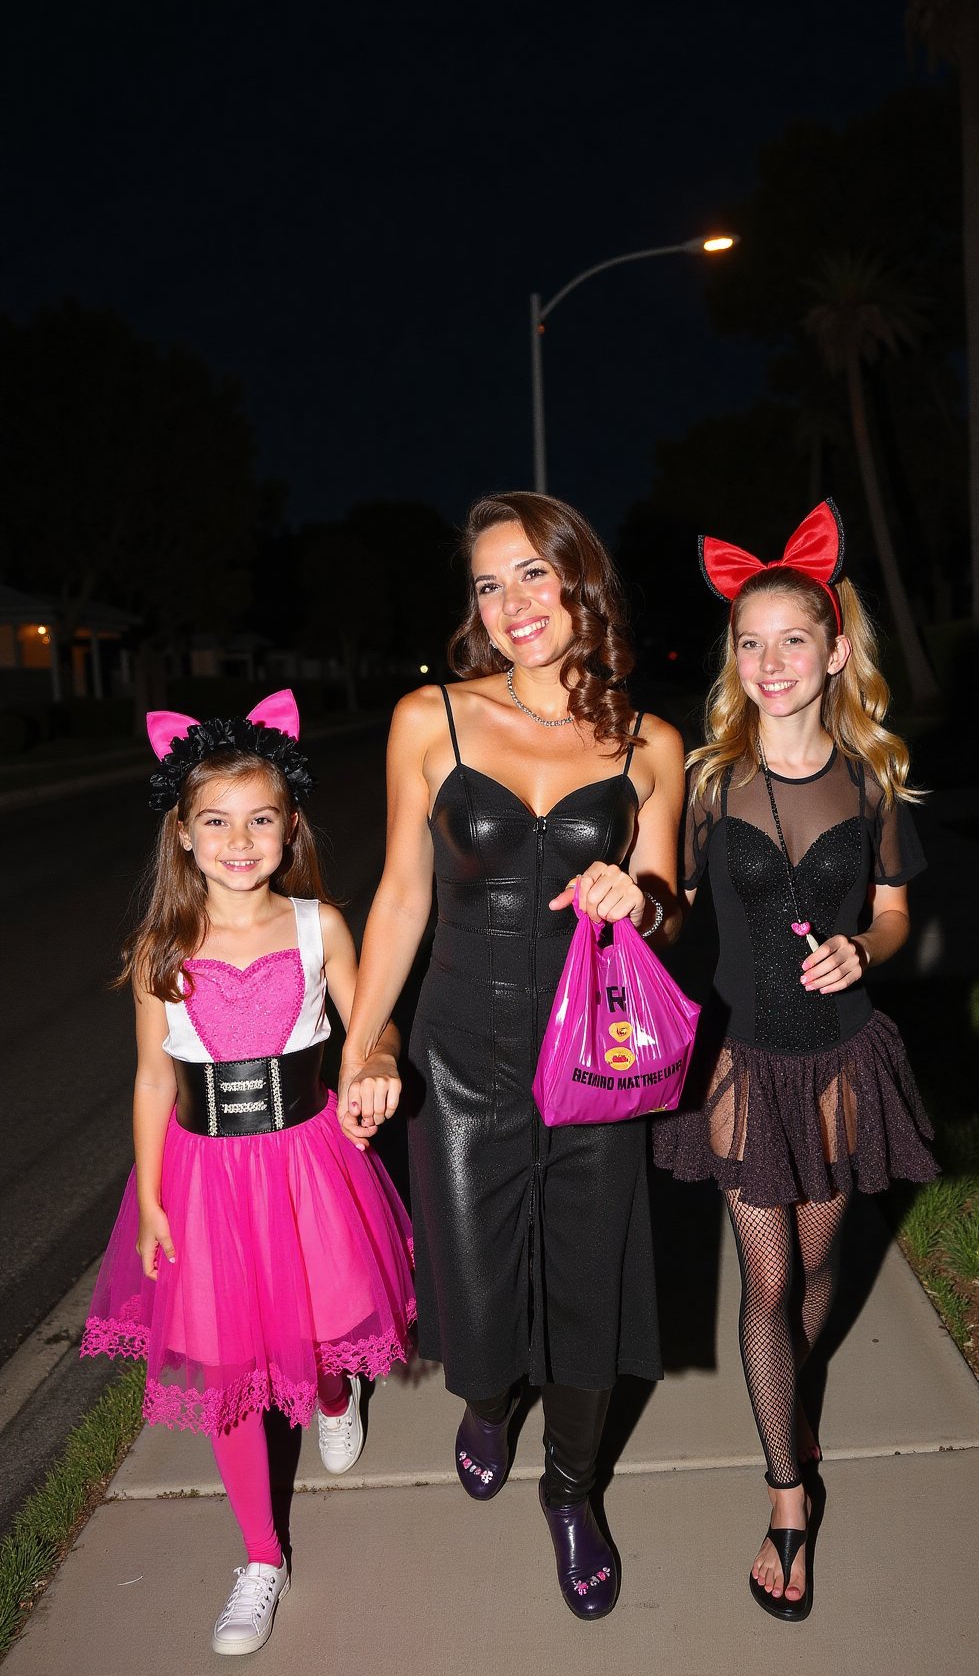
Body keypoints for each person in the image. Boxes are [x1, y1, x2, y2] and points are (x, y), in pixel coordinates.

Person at [340, 492, 684, 1620]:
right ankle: (486, 1401)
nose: (512, 604)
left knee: (590, 1290)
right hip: (463, 1058)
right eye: (489, 584)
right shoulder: (428, 719)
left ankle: (574, 1490)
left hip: (596, 1058)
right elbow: (398, 897)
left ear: (580, 578)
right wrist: (364, 1042)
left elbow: (670, 909)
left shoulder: (652, 745)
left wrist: (646, 896)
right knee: (475, 1302)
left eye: (532, 574)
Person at [82, 690, 416, 1658]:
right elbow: (152, 1080)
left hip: (309, 1162)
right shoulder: (162, 951)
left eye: (260, 820)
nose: (239, 841)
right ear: (183, 836)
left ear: (290, 827)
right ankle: (261, 1554)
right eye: (216, 823)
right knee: (231, 1369)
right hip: (204, 1178)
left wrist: (380, 1061)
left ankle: (333, 1395)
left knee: (310, 1325)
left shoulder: (321, 927)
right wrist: (147, 1198)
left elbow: (372, 1024)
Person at [654, 501, 938, 1623]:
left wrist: (863, 946)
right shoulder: (712, 782)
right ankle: (786, 1495)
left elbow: (900, 915)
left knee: (818, 1273)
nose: (770, 663)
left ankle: (792, 1396)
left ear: (833, 654)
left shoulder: (870, 784)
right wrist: (640, 907)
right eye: (749, 642)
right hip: (740, 1058)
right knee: (765, 1281)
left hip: (835, 1062)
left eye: (792, 642)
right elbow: (675, 911)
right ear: (735, 659)